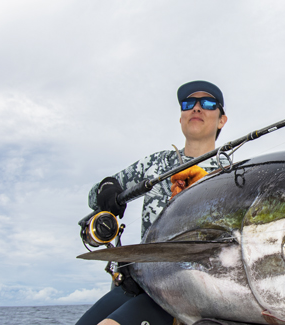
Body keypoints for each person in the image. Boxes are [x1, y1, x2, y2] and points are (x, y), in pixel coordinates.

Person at [76, 80, 229, 325]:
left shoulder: (234, 173)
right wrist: (107, 189)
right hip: (140, 279)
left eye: (209, 103)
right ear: (181, 118)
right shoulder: (155, 163)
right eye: (189, 103)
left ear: (222, 120)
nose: (197, 108)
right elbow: (95, 196)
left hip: (193, 287)